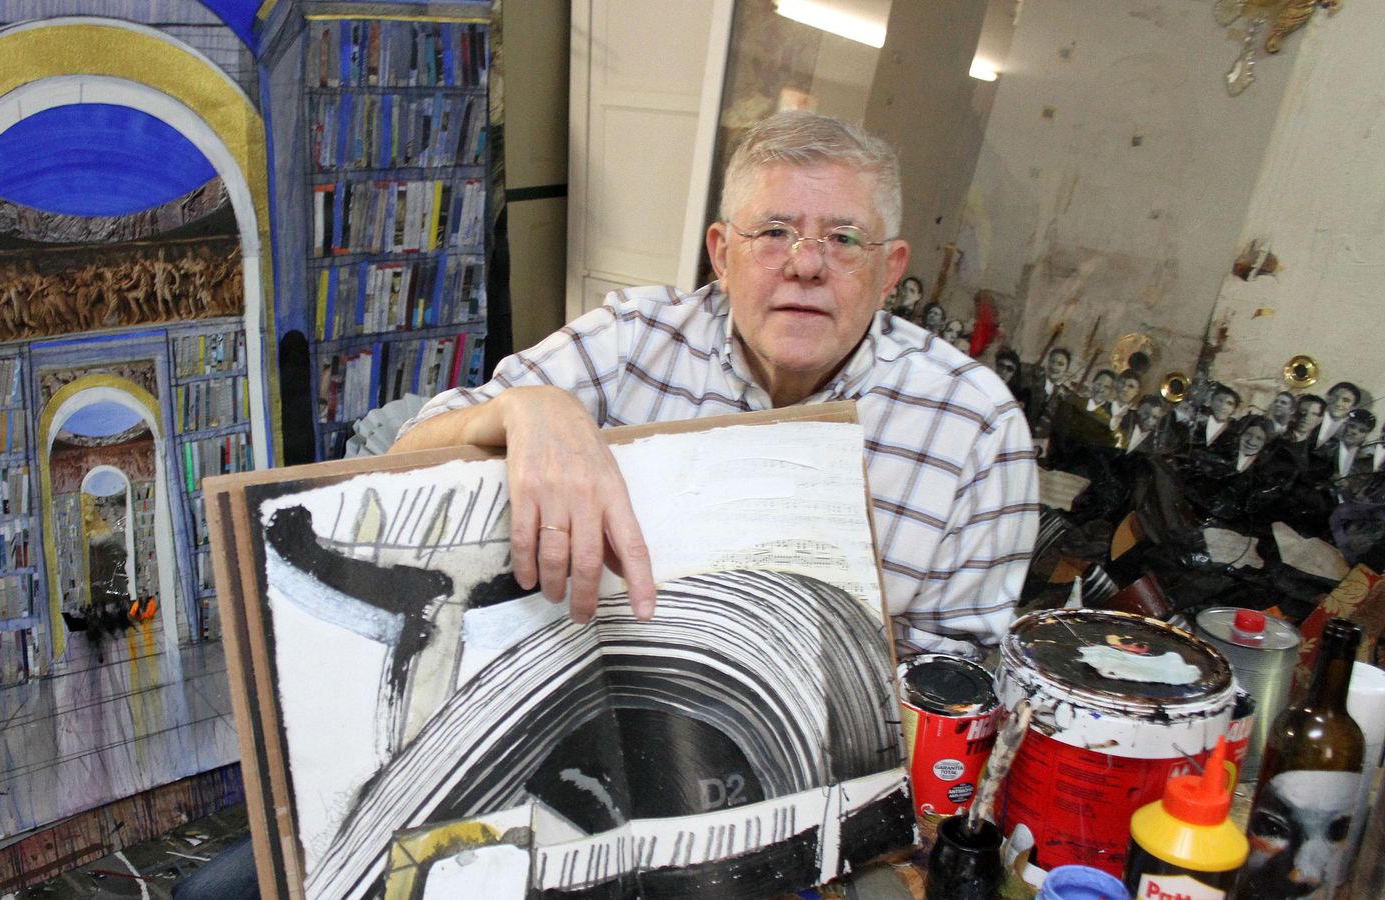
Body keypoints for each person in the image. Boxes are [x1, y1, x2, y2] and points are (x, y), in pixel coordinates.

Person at [391, 111, 1038, 658]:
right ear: (722, 255)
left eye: (843, 239)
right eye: (775, 233)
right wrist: (523, 409)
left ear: (890, 271)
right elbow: (401, 459)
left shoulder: (976, 428)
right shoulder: (632, 342)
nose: (806, 265)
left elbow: (955, 690)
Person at [1314, 381, 1362, 448]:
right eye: (1335, 397)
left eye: (1346, 400)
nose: (1338, 403)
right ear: (1328, 397)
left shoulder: (1349, 429)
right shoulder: (1313, 417)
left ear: (1353, 407)